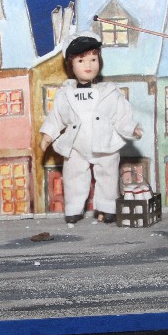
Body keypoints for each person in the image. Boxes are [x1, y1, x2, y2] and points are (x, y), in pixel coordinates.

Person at [39, 36, 142, 224]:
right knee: (73, 175)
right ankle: (73, 208)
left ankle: (108, 208)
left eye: (93, 59)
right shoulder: (65, 93)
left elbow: (120, 115)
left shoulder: (109, 91)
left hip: (105, 142)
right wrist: (48, 135)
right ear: (71, 65)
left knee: (108, 174)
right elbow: (57, 117)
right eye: (81, 61)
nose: (88, 65)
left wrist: (131, 127)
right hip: (76, 144)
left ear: (99, 61)